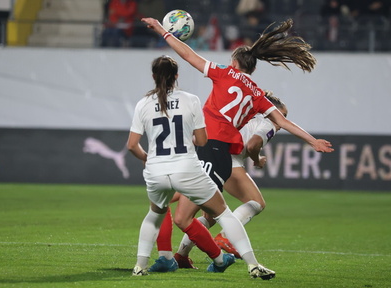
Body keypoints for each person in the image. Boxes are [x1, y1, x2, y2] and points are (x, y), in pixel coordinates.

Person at [140, 17, 333, 278]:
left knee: (186, 215)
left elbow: (188, 55)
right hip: (218, 154)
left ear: (234, 62)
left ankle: (206, 258)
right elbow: (283, 121)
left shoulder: (224, 72)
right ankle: (221, 259)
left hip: (211, 150)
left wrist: (162, 31)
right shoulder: (259, 94)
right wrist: (312, 141)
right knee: (207, 211)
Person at [128, 55, 273, 279]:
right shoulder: (190, 99)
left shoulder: (143, 104)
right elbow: (202, 140)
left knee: (154, 215)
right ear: (177, 76)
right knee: (223, 213)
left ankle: (141, 266)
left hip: (157, 170)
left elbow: (131, 146)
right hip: (186, 168)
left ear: (153, 76)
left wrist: (149, 159)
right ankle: (253, 265)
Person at [151, 91, 287, 265]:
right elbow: (252, 145)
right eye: (283, 115)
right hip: (228, 161)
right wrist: (257, 160)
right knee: (256, 203)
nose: (284, 122)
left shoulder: (247, 115)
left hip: (211, 156)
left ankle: (181, 255)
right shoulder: (269, 123)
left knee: (208, 214)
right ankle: (225, 237)